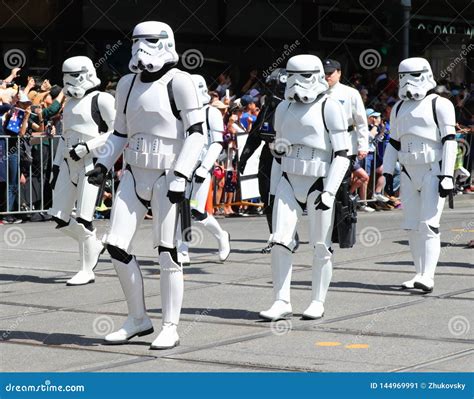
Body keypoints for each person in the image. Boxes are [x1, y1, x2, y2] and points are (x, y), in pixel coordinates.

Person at [86, 21, 205, 349]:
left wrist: (181, 174)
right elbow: (120, 131)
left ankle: (170, 325)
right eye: (136, 41)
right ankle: (138, 318)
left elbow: (197, 132)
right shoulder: (126, 83)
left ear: (166, 42)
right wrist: (103, 163)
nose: (141, 47)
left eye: (149, 41)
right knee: (116, 245)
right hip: (134, 174)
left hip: (168, 175)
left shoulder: (180, 82)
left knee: (167, 252)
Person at [259, 55, 349, 321]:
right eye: (293, 76)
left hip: (318, 181)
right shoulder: (284, 108)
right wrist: (274, 193)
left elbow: (343, 153)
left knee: (320, 246)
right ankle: (281, 300)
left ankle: (317, 300)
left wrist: (330, 191)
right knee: (279, 241)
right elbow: (278, 153)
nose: (298, 83)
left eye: (305, 76)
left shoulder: (329, 107)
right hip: (288, 178)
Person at [383, 57, 457, 292]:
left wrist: (447, 175)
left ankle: (428, 275)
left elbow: (449, 141)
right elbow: (393, 143)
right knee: (412, 225)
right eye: (403, 76)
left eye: (413, 75)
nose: (408, 81)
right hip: (407, 170)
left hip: (431, 169)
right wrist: (386, 173)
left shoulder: (440, 104)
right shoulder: (398, 107)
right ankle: (418, 273)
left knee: (428, 224)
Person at [48, 56, 116, 286]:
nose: (70, 81)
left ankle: (86, 269)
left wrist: (88, 146)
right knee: (59, 217)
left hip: (91, 164)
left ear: (86, 73)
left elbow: (119, 132)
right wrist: (55, 167)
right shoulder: (70, 104)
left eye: (74, 75)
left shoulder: (102, 99)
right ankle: (94, 244)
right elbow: (64, 137)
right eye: (66, 76)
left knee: (84, 219)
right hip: (69, 163)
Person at [178, 74, 230, 263]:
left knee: (197, 212)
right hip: (183, 165)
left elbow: (217, 143)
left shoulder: (211, 113)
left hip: (201, 165)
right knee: (180, 208)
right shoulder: (181, 112)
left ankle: (221, 236)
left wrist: (204, 167)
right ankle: (182, 248)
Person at [324, 59, 369, 244]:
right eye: (324, 73)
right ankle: (324, 227)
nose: (327, 76)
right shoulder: (317, 92)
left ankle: (341, 228)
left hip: (346, 143)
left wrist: (362, 145)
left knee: (341, 186)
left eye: (330, 73)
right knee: (324, 186)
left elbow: (361, 121)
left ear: (339, 73)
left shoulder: (350, 93)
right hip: (325, 144)